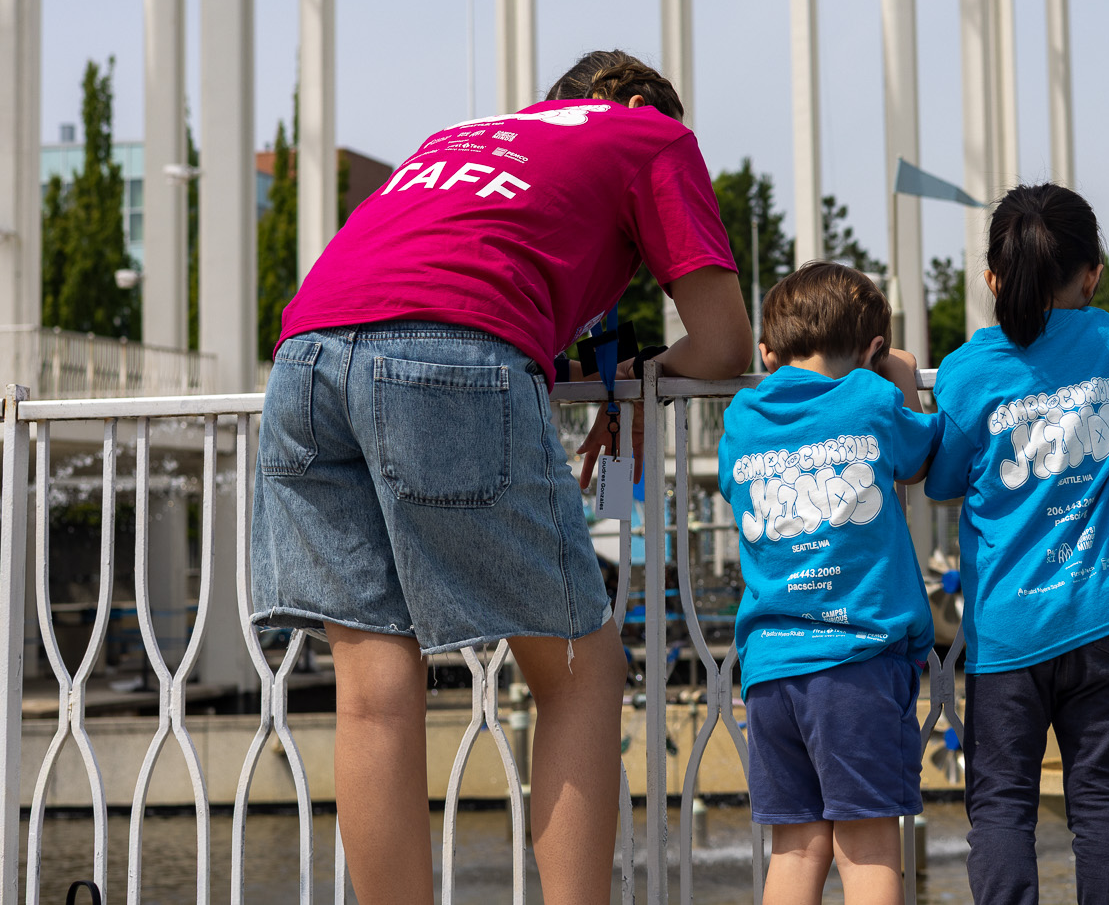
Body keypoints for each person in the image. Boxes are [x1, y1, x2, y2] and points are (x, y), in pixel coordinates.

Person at [254, 50, 753, 905]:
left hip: (303, 364)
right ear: (640, 103)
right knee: (580, 668)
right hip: (444, 350)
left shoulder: (460, 138)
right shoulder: (649, 134)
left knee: (373, 694)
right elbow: (723, 344)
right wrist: (643, 376)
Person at [924, 183, 1109, 905]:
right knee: (1102, 799)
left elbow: (942, 478)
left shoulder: (969, 372)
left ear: (992, 279)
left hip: (1008, 628)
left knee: (1002, 805)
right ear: (1092, 275)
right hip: (1101, 613)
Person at [718, 262, 939, 905]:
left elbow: (731, 481)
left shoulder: (743, 416)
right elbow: (920, 458)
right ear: (872, 351)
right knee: (867, 846)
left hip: (770, 668)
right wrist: (901, 379)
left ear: (767, 354)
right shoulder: (871, 397)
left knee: (795, 847)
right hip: (856, 661)